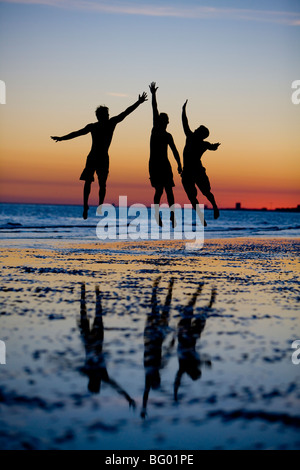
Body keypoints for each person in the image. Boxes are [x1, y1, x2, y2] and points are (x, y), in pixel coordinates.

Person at [51, 92, 148, 219]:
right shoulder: (95, 126)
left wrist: (138, 103)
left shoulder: (109, 123)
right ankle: (86, 205)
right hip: (94, 157)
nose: (107, 116)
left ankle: (99, 205)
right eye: (105, 115)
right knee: (89, 182)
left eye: (107, 114)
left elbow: (126, 112)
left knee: (101, 184)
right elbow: (77, 133)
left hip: (100, 158)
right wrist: (62, 138)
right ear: (99, 116)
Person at [181, 100, 220, 226]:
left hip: (196, 171)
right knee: (192, 197)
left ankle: (214, 206)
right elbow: (185, 123)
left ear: (202, 134)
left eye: (198, 129)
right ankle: (201, 217)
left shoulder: (195, 139)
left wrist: (183, 110)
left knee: (206, 193)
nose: (196, 129)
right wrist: (183, 111)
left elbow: (185, 123)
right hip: (188, 172)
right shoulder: (195, 139)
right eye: (197, 128)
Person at [149, 82, 182, 227]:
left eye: (166, 121)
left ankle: (172, 215)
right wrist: (154, 94)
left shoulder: (168, 135)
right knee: (159, 191)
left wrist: (179, 165)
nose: (165, 123)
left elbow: (174, 150)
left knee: (169, 191)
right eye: (163, 121)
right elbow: (154, 109)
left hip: (165, 165)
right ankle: (157, 215)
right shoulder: (155, 129)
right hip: (155, 164)